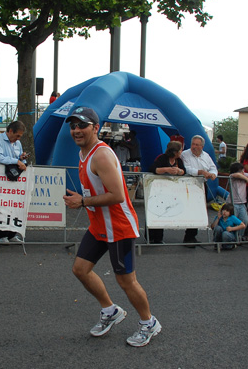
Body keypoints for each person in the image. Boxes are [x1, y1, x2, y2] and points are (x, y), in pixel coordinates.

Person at [62, 107, 161, 348]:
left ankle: (149, 323)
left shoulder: (101, 155)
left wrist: (83, 201)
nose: (76, 130)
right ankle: (111, 311)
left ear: (95, 128)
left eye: (82, 126)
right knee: (80, 269)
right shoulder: (84, 153)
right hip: (99, 226)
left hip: (119, 227)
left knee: (126, 281)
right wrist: (83, 198)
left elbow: (117, 194)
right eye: (73, 126)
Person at [0, 120, 28, 243]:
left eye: (20, 137)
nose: (18, 139)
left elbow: (17, 159)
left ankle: (12, 233)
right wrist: (16, 161)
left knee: (15, 205)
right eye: (17, 135)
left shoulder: (17, 143)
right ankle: (1, 235)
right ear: (10, 131)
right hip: (2, 177)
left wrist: (21, 160)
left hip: (15, 177)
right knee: (3, 206)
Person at [180, 135, 218, 245]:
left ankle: (192, 235)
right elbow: (186, 168)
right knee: (190, 210)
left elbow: (213, 168)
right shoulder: (185, 154)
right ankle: (188, 236)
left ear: (202, 146)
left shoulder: (206, 156)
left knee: (199, 210)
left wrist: (213, 174)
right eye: (193, 144)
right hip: (189, 184)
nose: (194, 147)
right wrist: (200, 172)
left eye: (197, 145)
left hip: (202, 185)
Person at [147, 140, 185, 243]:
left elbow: (183, 171)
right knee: (155, 211)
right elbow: (153, 168)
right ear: (175, 151)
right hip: (158, 188)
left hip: (171, 190)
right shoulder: (162, 158)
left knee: (164, 212)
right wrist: (166, 169)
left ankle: (159, 238)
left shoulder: (179, 161)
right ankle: (150, 236)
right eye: (180, 150)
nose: (181, 152)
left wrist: (179, 171)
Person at [228, 162, 248, 238]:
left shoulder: (244, 174)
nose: (243, 172)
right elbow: (237, 175)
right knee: (232, 220)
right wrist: (246, 179)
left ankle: (239, 236)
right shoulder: (232, 176)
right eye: (241, 171)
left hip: (242, 202)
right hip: (233, 202)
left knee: (244, 220)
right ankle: (232, 236)